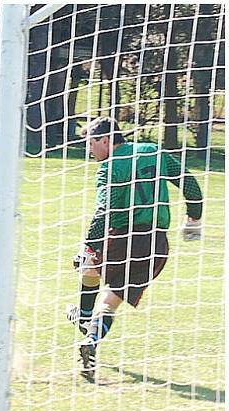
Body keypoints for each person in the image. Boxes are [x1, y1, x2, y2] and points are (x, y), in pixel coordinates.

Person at [67, 116, 203, 379]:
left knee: (90, 265)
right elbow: (189, 183)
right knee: (110, 297)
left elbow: (103, 211)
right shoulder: (154, 152)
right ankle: (89, 334)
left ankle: (87, 327)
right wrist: (193, 218)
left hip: (119, 238)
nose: (90, 149)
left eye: (92, 143)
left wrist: (88, 244)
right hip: (154, 243)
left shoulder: (109, 168)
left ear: (106, 140)